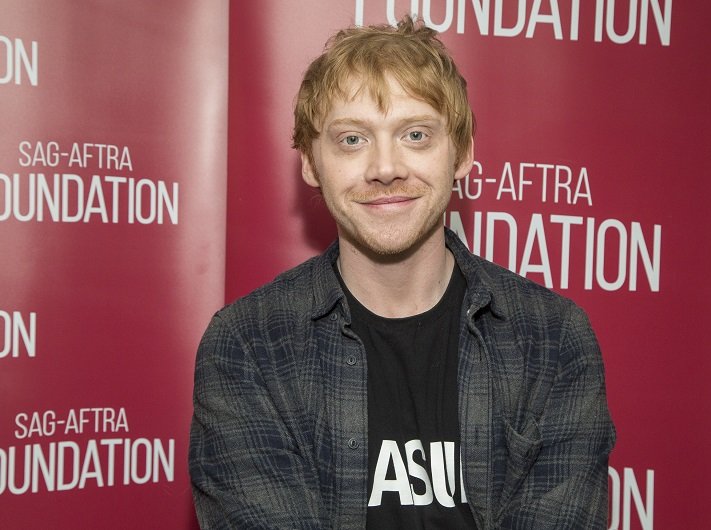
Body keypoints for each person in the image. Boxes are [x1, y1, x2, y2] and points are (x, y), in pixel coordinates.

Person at [189, 15, 615, 529]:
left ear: (462, 153)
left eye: (415, 134)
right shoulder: (249, 345)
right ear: (309, 163)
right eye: (352, 140)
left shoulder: (553, 339)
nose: (385, 167)